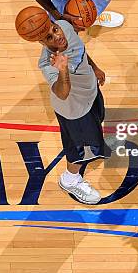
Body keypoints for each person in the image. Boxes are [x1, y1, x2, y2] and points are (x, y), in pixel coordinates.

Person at [35, 18, 111, 204]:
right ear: (42, 43)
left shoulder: (66, 27)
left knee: (98, 122)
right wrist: (62, 70)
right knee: (80, 151)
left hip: (91, 95)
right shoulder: (48, 64)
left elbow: (80, 49)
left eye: (55, 29)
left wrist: (94, 67)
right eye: (49, 37)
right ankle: (70, 180)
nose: (57, 36)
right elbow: (62, 93)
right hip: (74, 110)